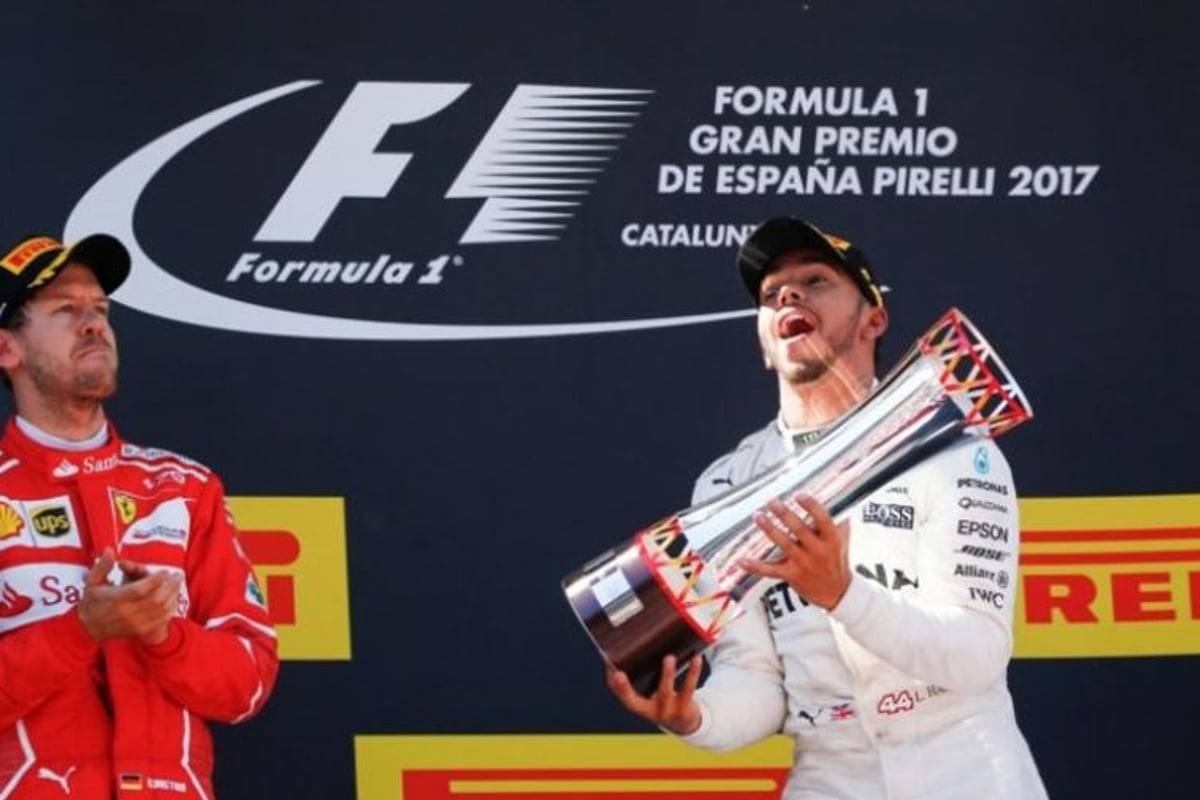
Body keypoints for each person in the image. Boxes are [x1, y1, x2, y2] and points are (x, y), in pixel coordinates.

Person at [606, 217, 1047, 799]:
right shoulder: (725, 485)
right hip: (830, 776)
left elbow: (977, 656)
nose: (788, 295)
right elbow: (757, 679)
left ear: (874, 319)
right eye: (771, 293)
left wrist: (842, 594)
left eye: (816, 280)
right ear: (765, 346)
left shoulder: (950, 445)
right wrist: (695, 717)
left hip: (964, 769)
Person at [0, 233, 278, 798]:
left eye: (101, 310)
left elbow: (246, 685)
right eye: (66, 310)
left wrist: (163, 635)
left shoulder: (186, 489)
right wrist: (79, 631)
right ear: (8, 349)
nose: (93, 325)